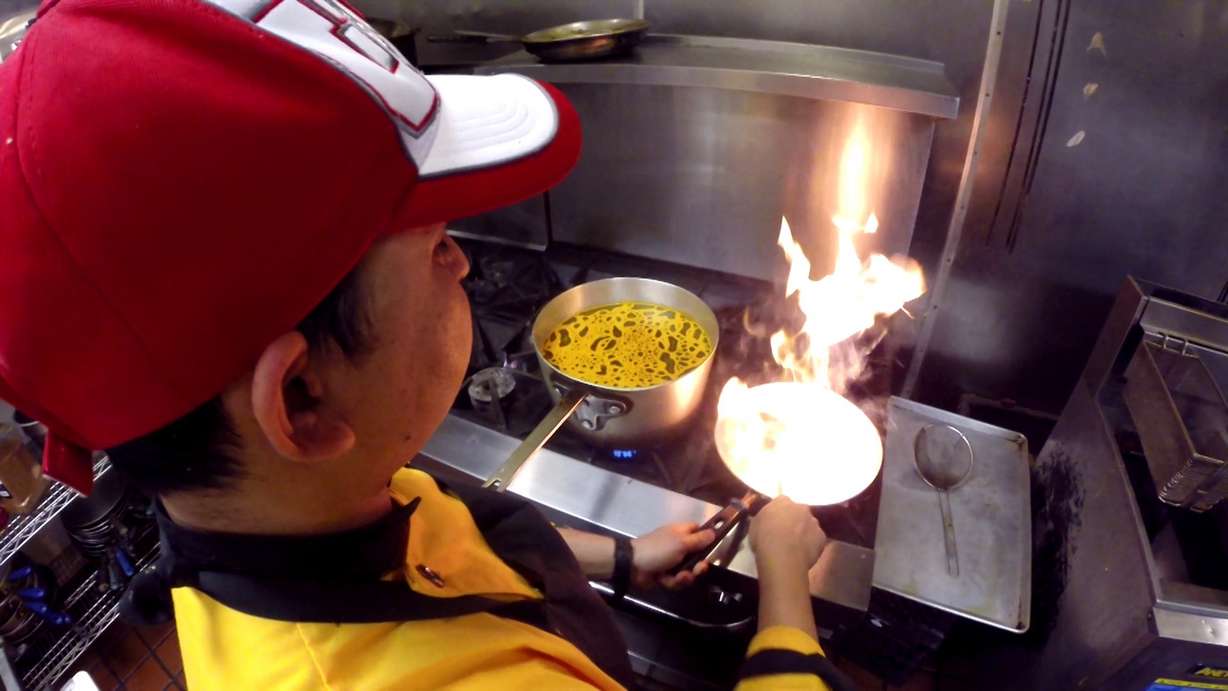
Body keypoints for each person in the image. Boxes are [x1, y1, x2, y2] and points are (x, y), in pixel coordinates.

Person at [0, 0, 845, 688]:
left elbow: (433, 529)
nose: (464, 261)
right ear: (301, 397)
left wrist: (622, 557)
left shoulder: (276, 504)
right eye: (436, 242)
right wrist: (783, 584)